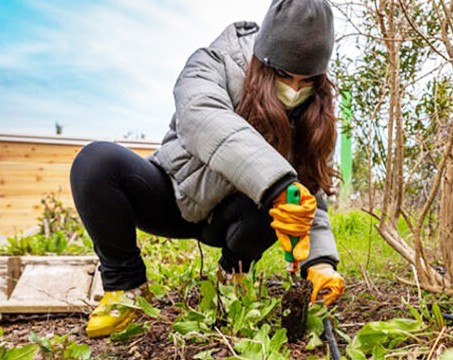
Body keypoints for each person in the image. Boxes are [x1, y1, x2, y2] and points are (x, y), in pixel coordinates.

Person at [70, 0, 345, 338]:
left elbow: (307, 195)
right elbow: (201, 116)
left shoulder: (312, 111)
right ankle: (127, 287)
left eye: (307, 81)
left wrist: (320, 264)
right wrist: (276, 184)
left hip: (237, 221)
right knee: (96, 162)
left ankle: (233, 275)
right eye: (284, 76)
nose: (294, 89)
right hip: (175, 196)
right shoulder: (212, 62)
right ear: (263, 61)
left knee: (287, 192)